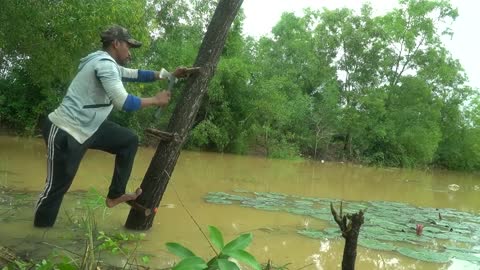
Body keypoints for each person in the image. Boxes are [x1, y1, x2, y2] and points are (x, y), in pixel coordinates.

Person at [34, 25, 191, 227]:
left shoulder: (110, 65)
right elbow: (123, 102)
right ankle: (37, 236)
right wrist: (156, 100)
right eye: (129, 46)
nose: (130, 51)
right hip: (66, 129)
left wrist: (169, 75)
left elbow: (136, 74)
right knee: (56, 188)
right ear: (116, 44)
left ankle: (115, 195)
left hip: (90, 127)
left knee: (128, 140)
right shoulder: (104, 65)